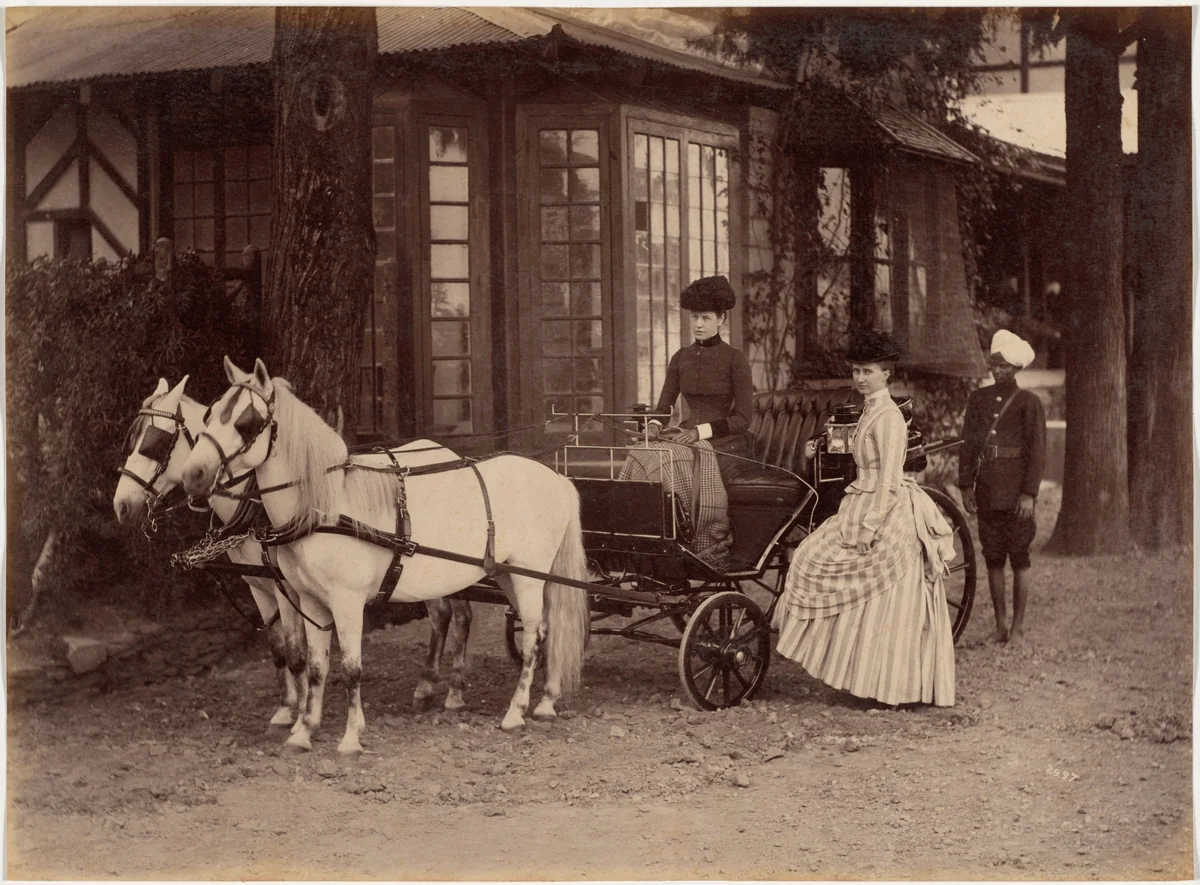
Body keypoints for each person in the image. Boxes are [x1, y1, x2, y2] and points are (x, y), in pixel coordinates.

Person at [774, 328, 956, 707]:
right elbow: (858, 455)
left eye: (867, 371)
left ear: (887, 372)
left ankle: (894, 687)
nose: (859, 378)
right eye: (856, 371)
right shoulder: (870, 409)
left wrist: (871, 526)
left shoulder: (889, 417)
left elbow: (890, 478)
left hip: (885, 508)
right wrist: (819, 445)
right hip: (860, 500)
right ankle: (859, 678)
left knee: (884, 602)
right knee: (809, 557)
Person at [620, 274, 754, 566]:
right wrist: (652, 429)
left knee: (672, 457)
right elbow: (663, 408)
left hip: (727, 444)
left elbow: (743, 418)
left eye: (705, 318)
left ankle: (691, 539)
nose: (698, 325)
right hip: (686, 436)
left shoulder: (735, 359)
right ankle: (647, 539)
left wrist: (698, 434)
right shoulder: (681, 357)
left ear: (721, 319)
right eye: (694, 317)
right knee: (644, 452)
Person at [957, 329, 1046, 646]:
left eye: (1006, 366)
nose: (999, 371)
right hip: (988, 491)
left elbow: (1037, 451)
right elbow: (968, 444)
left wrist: (1028, 493)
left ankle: (1018, 630)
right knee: (993, 558)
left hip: (1016, 494)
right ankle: (1000, 626)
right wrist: (966, 485)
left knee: (1019, 559)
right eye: (995, 364)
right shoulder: (978, 400)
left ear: (1017, 368)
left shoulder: (1028, 403)